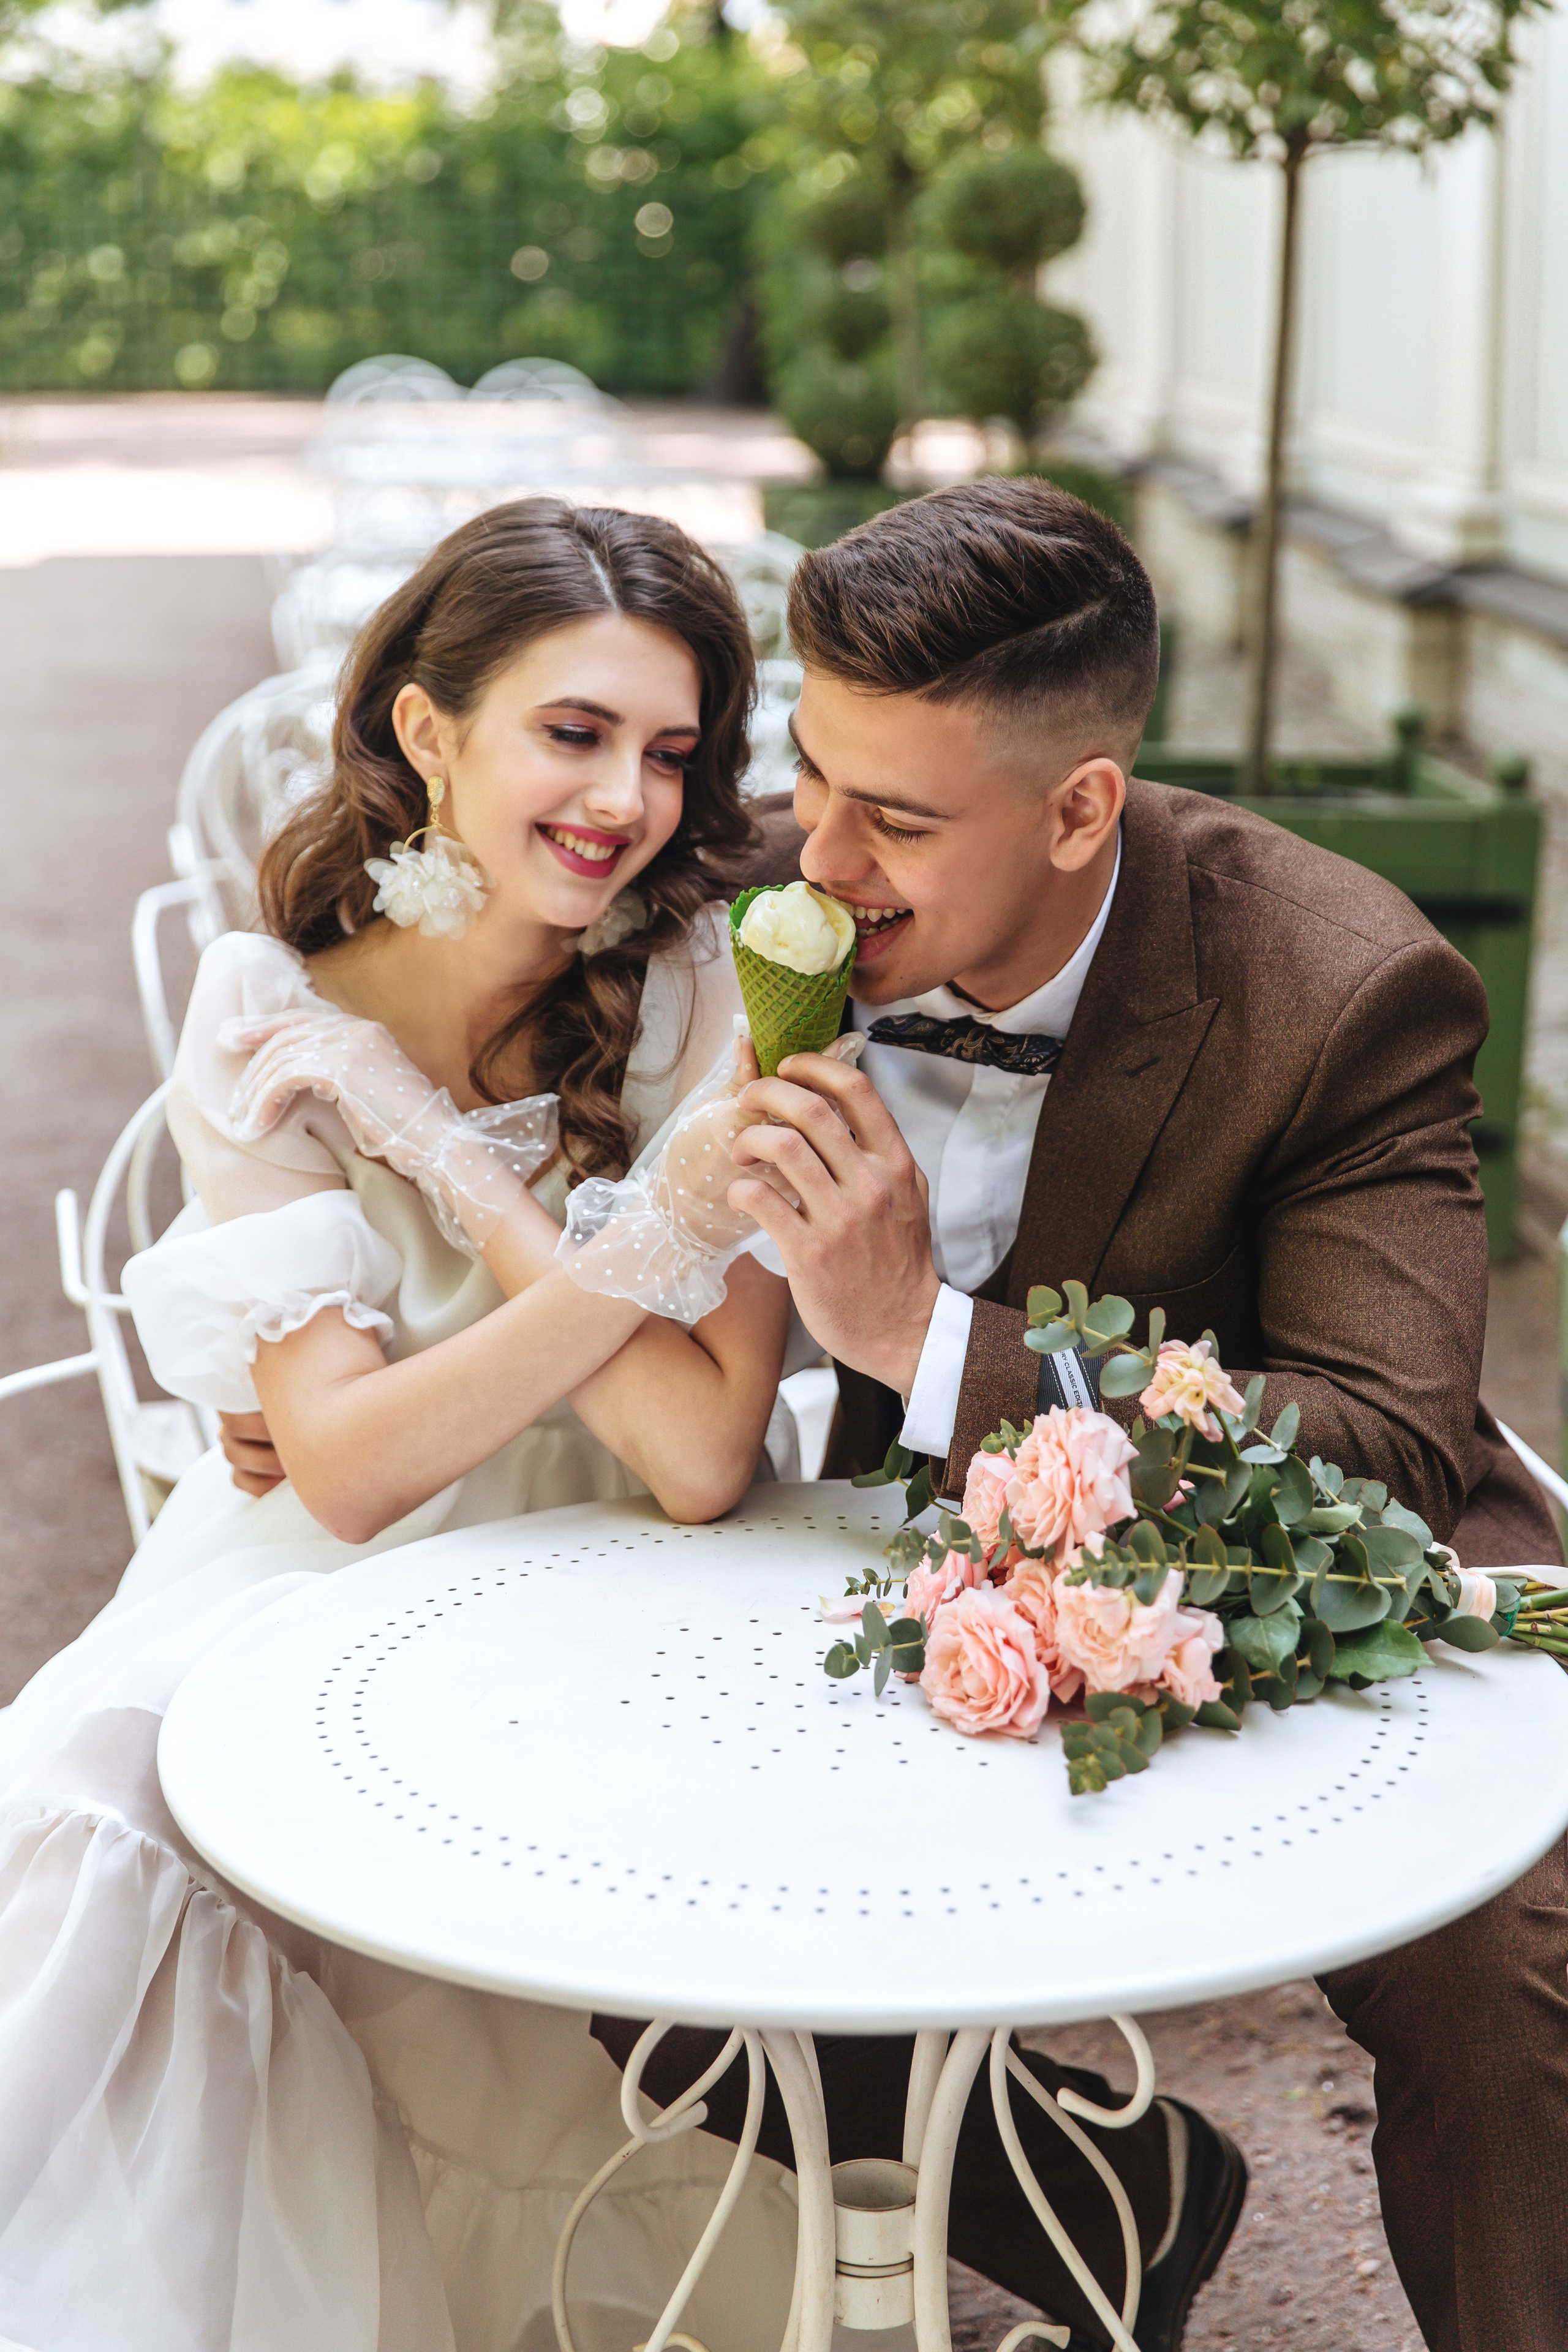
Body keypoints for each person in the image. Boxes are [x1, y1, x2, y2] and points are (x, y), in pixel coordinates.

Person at [600, 476, 1560, 2352]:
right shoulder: (722, 900)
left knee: (1517, 1968)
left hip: (1284, 1555)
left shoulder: (1343, 982)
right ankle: (1110, 2193)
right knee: (600, 1893)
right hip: (855, 1548)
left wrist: (925, 1335)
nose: (824, 856)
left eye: (895, 818)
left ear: (1079, 808)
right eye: (812, 775)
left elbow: (1376, 1439)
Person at [0, 499, 816, 2352]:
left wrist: (456, 1168)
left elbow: (693, 1461)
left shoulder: (708, 984)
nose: (626, 801)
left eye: (673, 752)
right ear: (428, 731)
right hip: (305, 1583)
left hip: (599, 1577)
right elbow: (351, 1478)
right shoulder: (267, 1006)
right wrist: (614, 1263)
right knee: (95, 1805)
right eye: (573, 732)